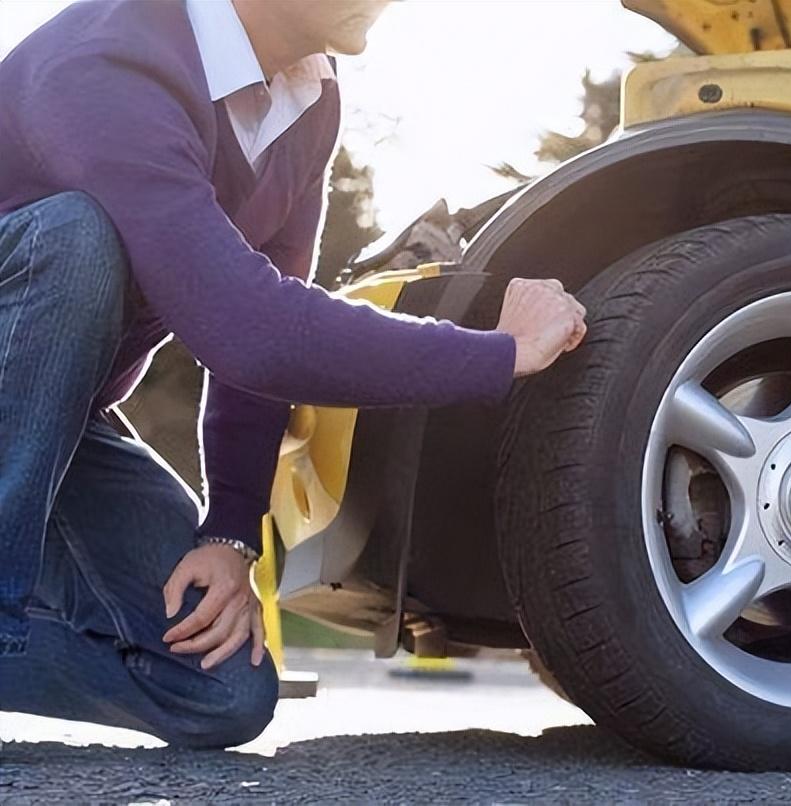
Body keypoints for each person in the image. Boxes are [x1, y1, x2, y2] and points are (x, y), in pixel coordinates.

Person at [0, 0, 586, 748]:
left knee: (220, 690)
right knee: (72, 239)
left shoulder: (311, 97)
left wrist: (233, 531)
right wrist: (497, 352)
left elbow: (270, 313)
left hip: (61, 428)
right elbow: (251, 329)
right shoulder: (104, 66)